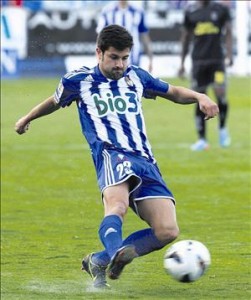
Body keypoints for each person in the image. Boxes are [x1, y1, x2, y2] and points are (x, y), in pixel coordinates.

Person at [15, 25, 219, 289]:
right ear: (99, 52)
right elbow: (54, 101)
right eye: (114, 57)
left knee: (167, 231)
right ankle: (115, 254)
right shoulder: (78, 81)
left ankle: (100, 260)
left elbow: (172, 92)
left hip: (145, 161)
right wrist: (27, 118)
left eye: (124, 58)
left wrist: (199, 96)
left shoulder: (136, 77)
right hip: (111, 155)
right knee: (117, 206)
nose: (120, 64)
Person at [178, 0, 233, 151]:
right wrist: (182, 63)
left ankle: (222, 129)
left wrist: (229, 54)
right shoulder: (191, 11)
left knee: (220, 94)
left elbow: (228, 31)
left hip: (217, 61)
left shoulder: (220, 9)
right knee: (198, 97)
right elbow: (186, 37)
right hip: (198, 63)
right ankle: (202, 139)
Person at [96, 0, 153, 72]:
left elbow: (144, 36)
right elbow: (100, 37)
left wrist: (150, 59)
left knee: (132, 80)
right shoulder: (107, 11)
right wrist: (99, 59)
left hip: (133, 54)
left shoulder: (138, 11)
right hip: (113, 55)